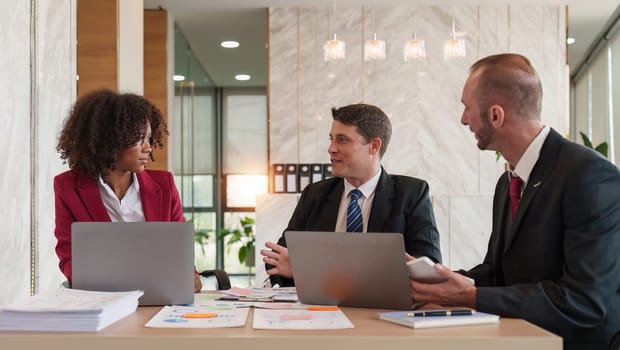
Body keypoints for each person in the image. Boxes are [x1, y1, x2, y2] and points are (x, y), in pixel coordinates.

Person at [409, 53, 620, 350]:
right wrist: (437, 279)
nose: (463, 119)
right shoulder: (507, 181)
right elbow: (498, 273)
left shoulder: (590, 175)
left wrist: (467, 295)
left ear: (496, 115)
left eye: (467, 108)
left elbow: (584, 301)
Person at [261, 103, 442, 287]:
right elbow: (281, 258)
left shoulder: (411, 193)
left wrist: (310, 268)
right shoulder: (315, 194)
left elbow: (429, 265)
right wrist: (291, 269)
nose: (331, 148)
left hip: (382, 309)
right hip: (321, 309)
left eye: (342, 140)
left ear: (374, 146)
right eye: (331, 139)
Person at [53, 89, 202, 293]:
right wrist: (91, 285)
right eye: (139, 139)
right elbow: (67, 252)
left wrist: (190, 275)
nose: (148, 148)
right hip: (101, 299)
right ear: (111, 140)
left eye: (149, 138)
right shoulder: (68, 187)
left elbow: (179, 248)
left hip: (160, 296)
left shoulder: (164, 184)